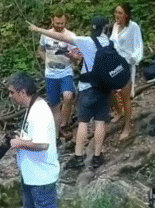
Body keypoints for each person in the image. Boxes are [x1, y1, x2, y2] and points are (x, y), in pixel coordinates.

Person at [29, 16, 111, 171]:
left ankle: (79, 157)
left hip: (87, 86)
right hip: (103, 86)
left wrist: (38, 29)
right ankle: (96, 157)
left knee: (83, 122)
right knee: (100, 122)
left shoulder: (86, 41)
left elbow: (61, 38)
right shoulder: (110, 43)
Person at [6, 72, 67, 208]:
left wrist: (19, 143)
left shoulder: (39, 112)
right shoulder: (32, 108)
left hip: (42, 177)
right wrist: (21, 139)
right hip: (31, 175)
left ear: (23, 92)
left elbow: (42, 144)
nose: (11, 96)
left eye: (12, 92)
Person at [36, 12, 77, 139]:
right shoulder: (45, 35)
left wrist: (72, 57)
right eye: (57, 23)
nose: (59, 25)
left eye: (62, 23)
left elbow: (77, 59)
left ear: (66, 22)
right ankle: (57, 130)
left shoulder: (70, 36)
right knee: (54, 105)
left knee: (68, 96)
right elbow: (40, 50)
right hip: (50, 74)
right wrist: (45, 60)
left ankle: (64, 125)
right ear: (52, 21)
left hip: (66, 72)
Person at [110, 3, 145, 141]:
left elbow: (138, 46)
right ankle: (119, 112)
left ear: (126, 14)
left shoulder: (133, 27)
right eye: (115, 13)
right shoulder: (115, 26)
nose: (117, 16)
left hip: (126, 64)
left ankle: (127, 126)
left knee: (126, 96)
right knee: (110, 89)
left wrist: (133, 59)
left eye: (120, 13)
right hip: (114, 63)